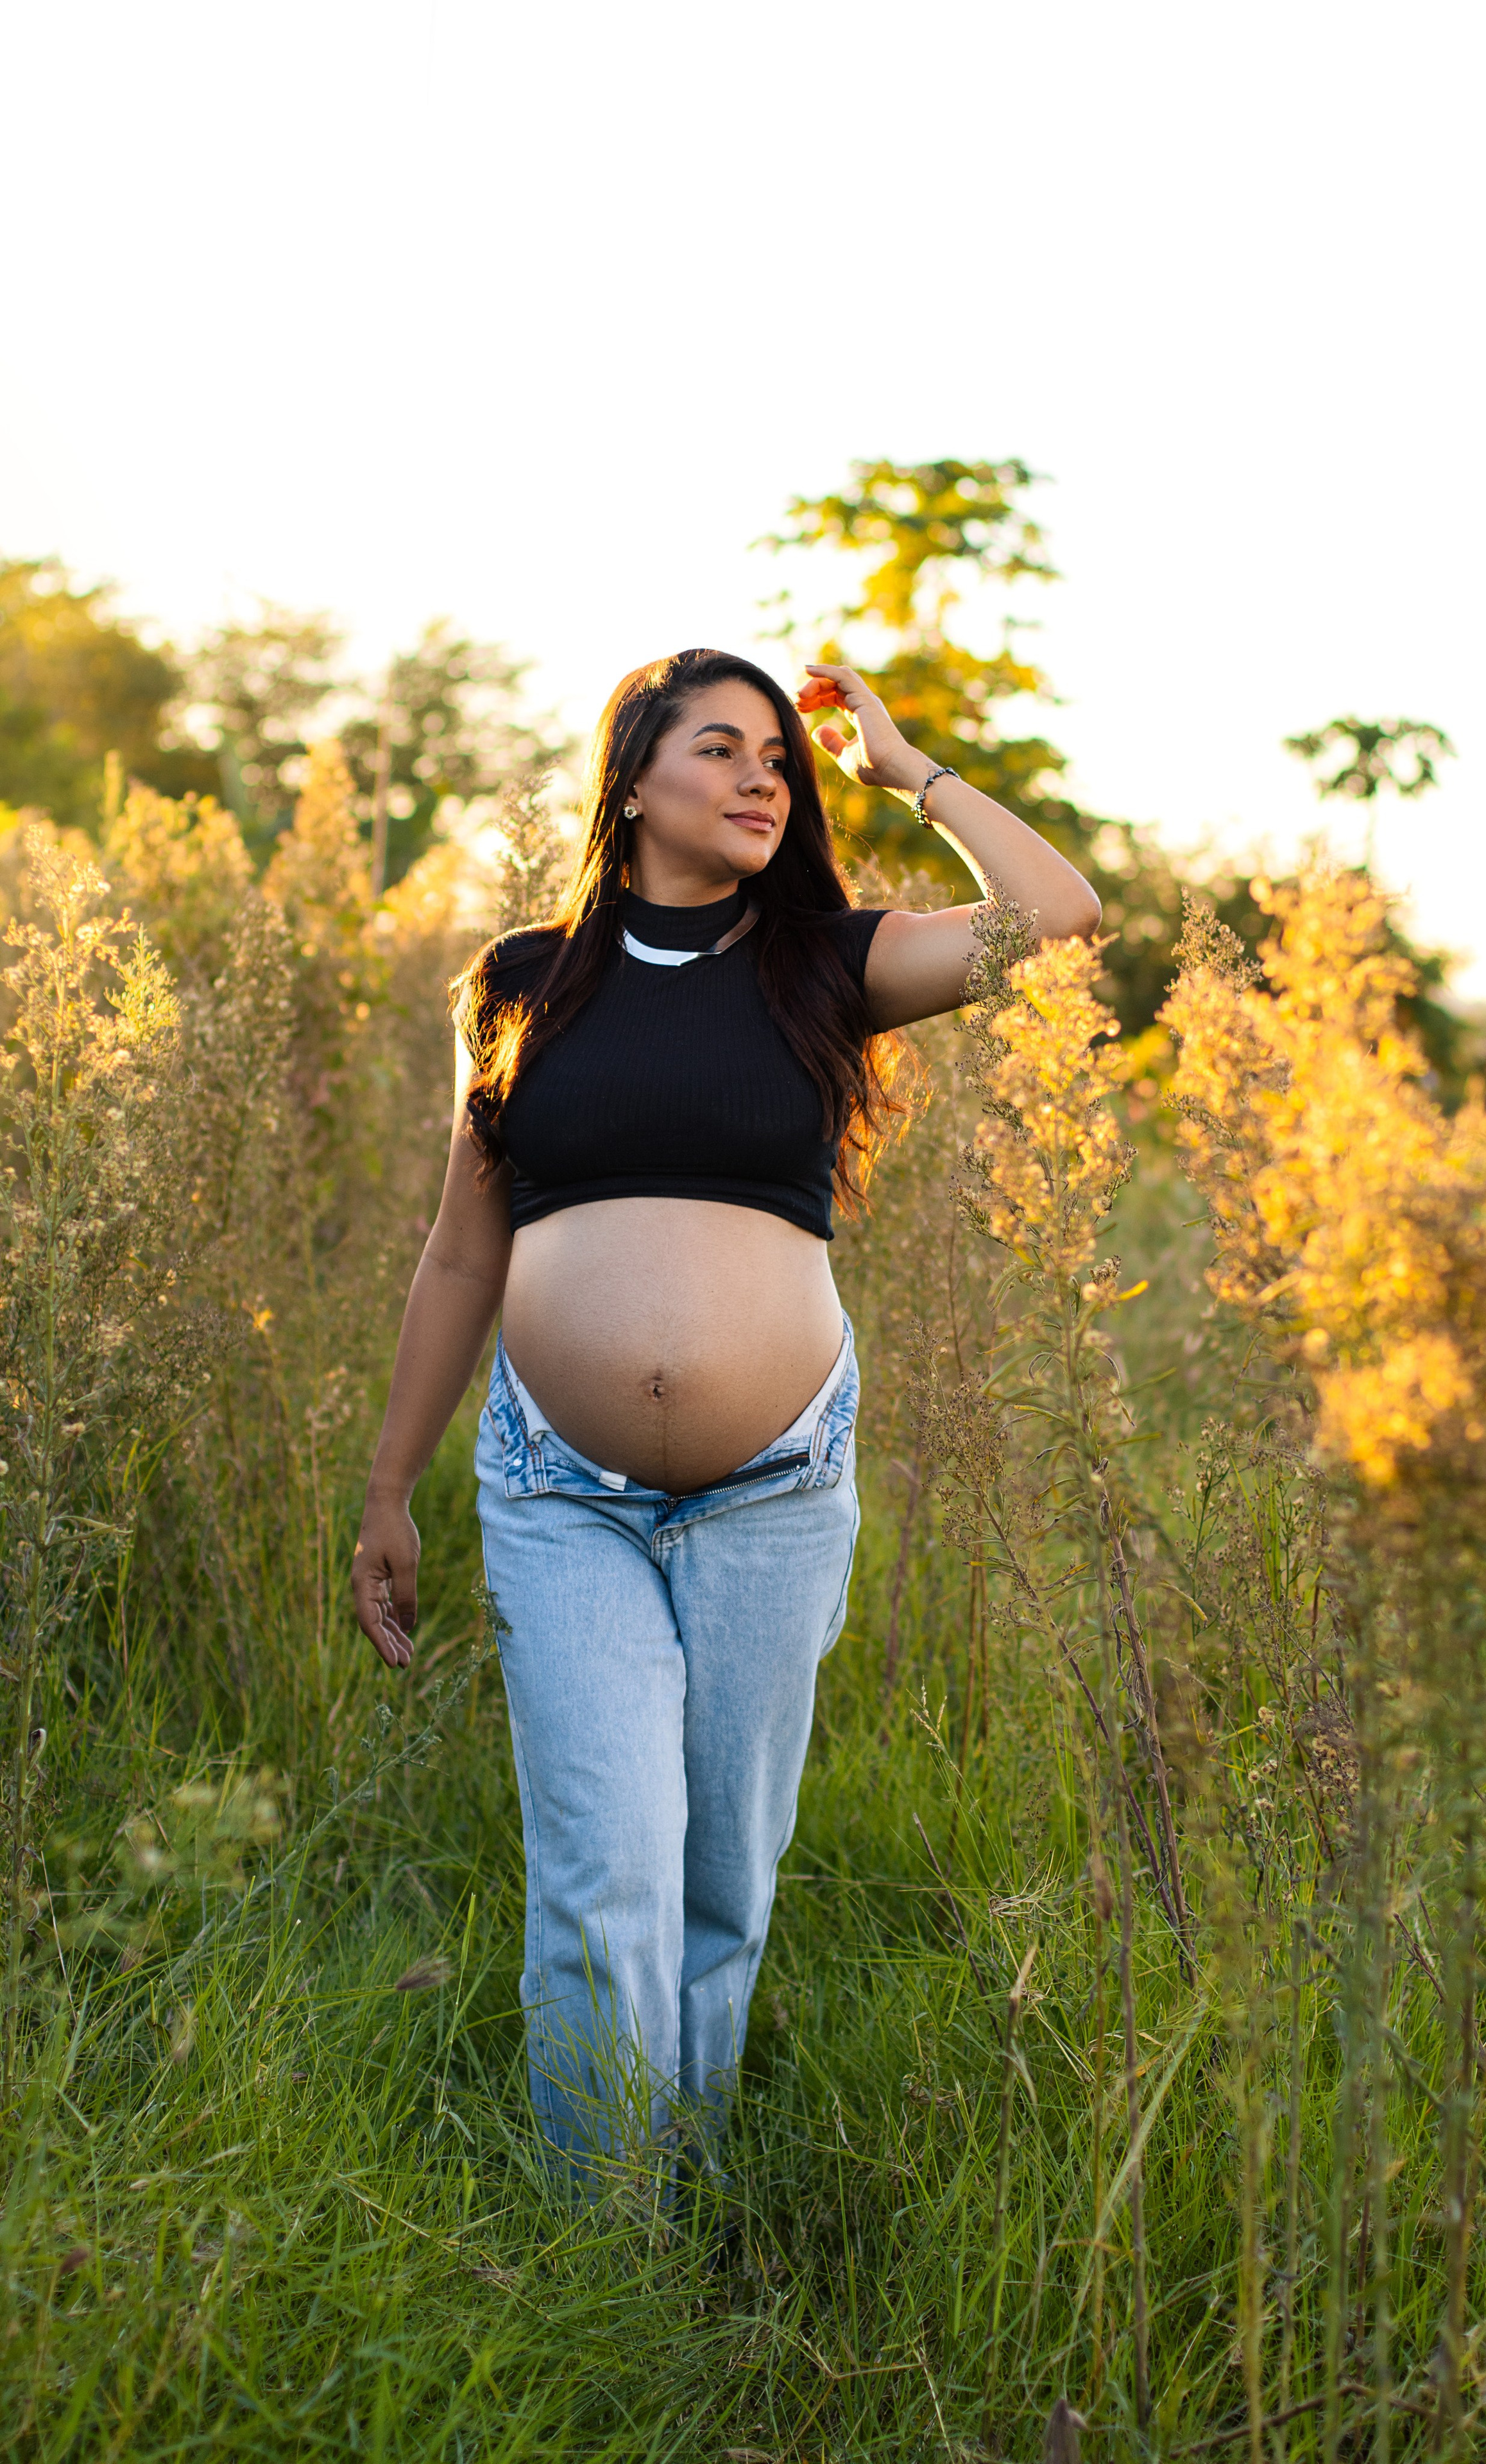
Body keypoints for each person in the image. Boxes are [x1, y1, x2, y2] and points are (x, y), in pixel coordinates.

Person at [350, 647, 1100, 2174]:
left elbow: (1055, 915)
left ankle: (683, 2190)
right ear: (631, 780)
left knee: (718, 1880)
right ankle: (601, 2238)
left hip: (775, 1485)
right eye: (719, 747)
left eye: (777, 756)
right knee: (601, 1873)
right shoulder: (520, 983)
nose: (762, 776)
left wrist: (907, 772)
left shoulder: (827, 963)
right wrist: (387, 1488)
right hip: (558, 1491)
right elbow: (461, 1252)